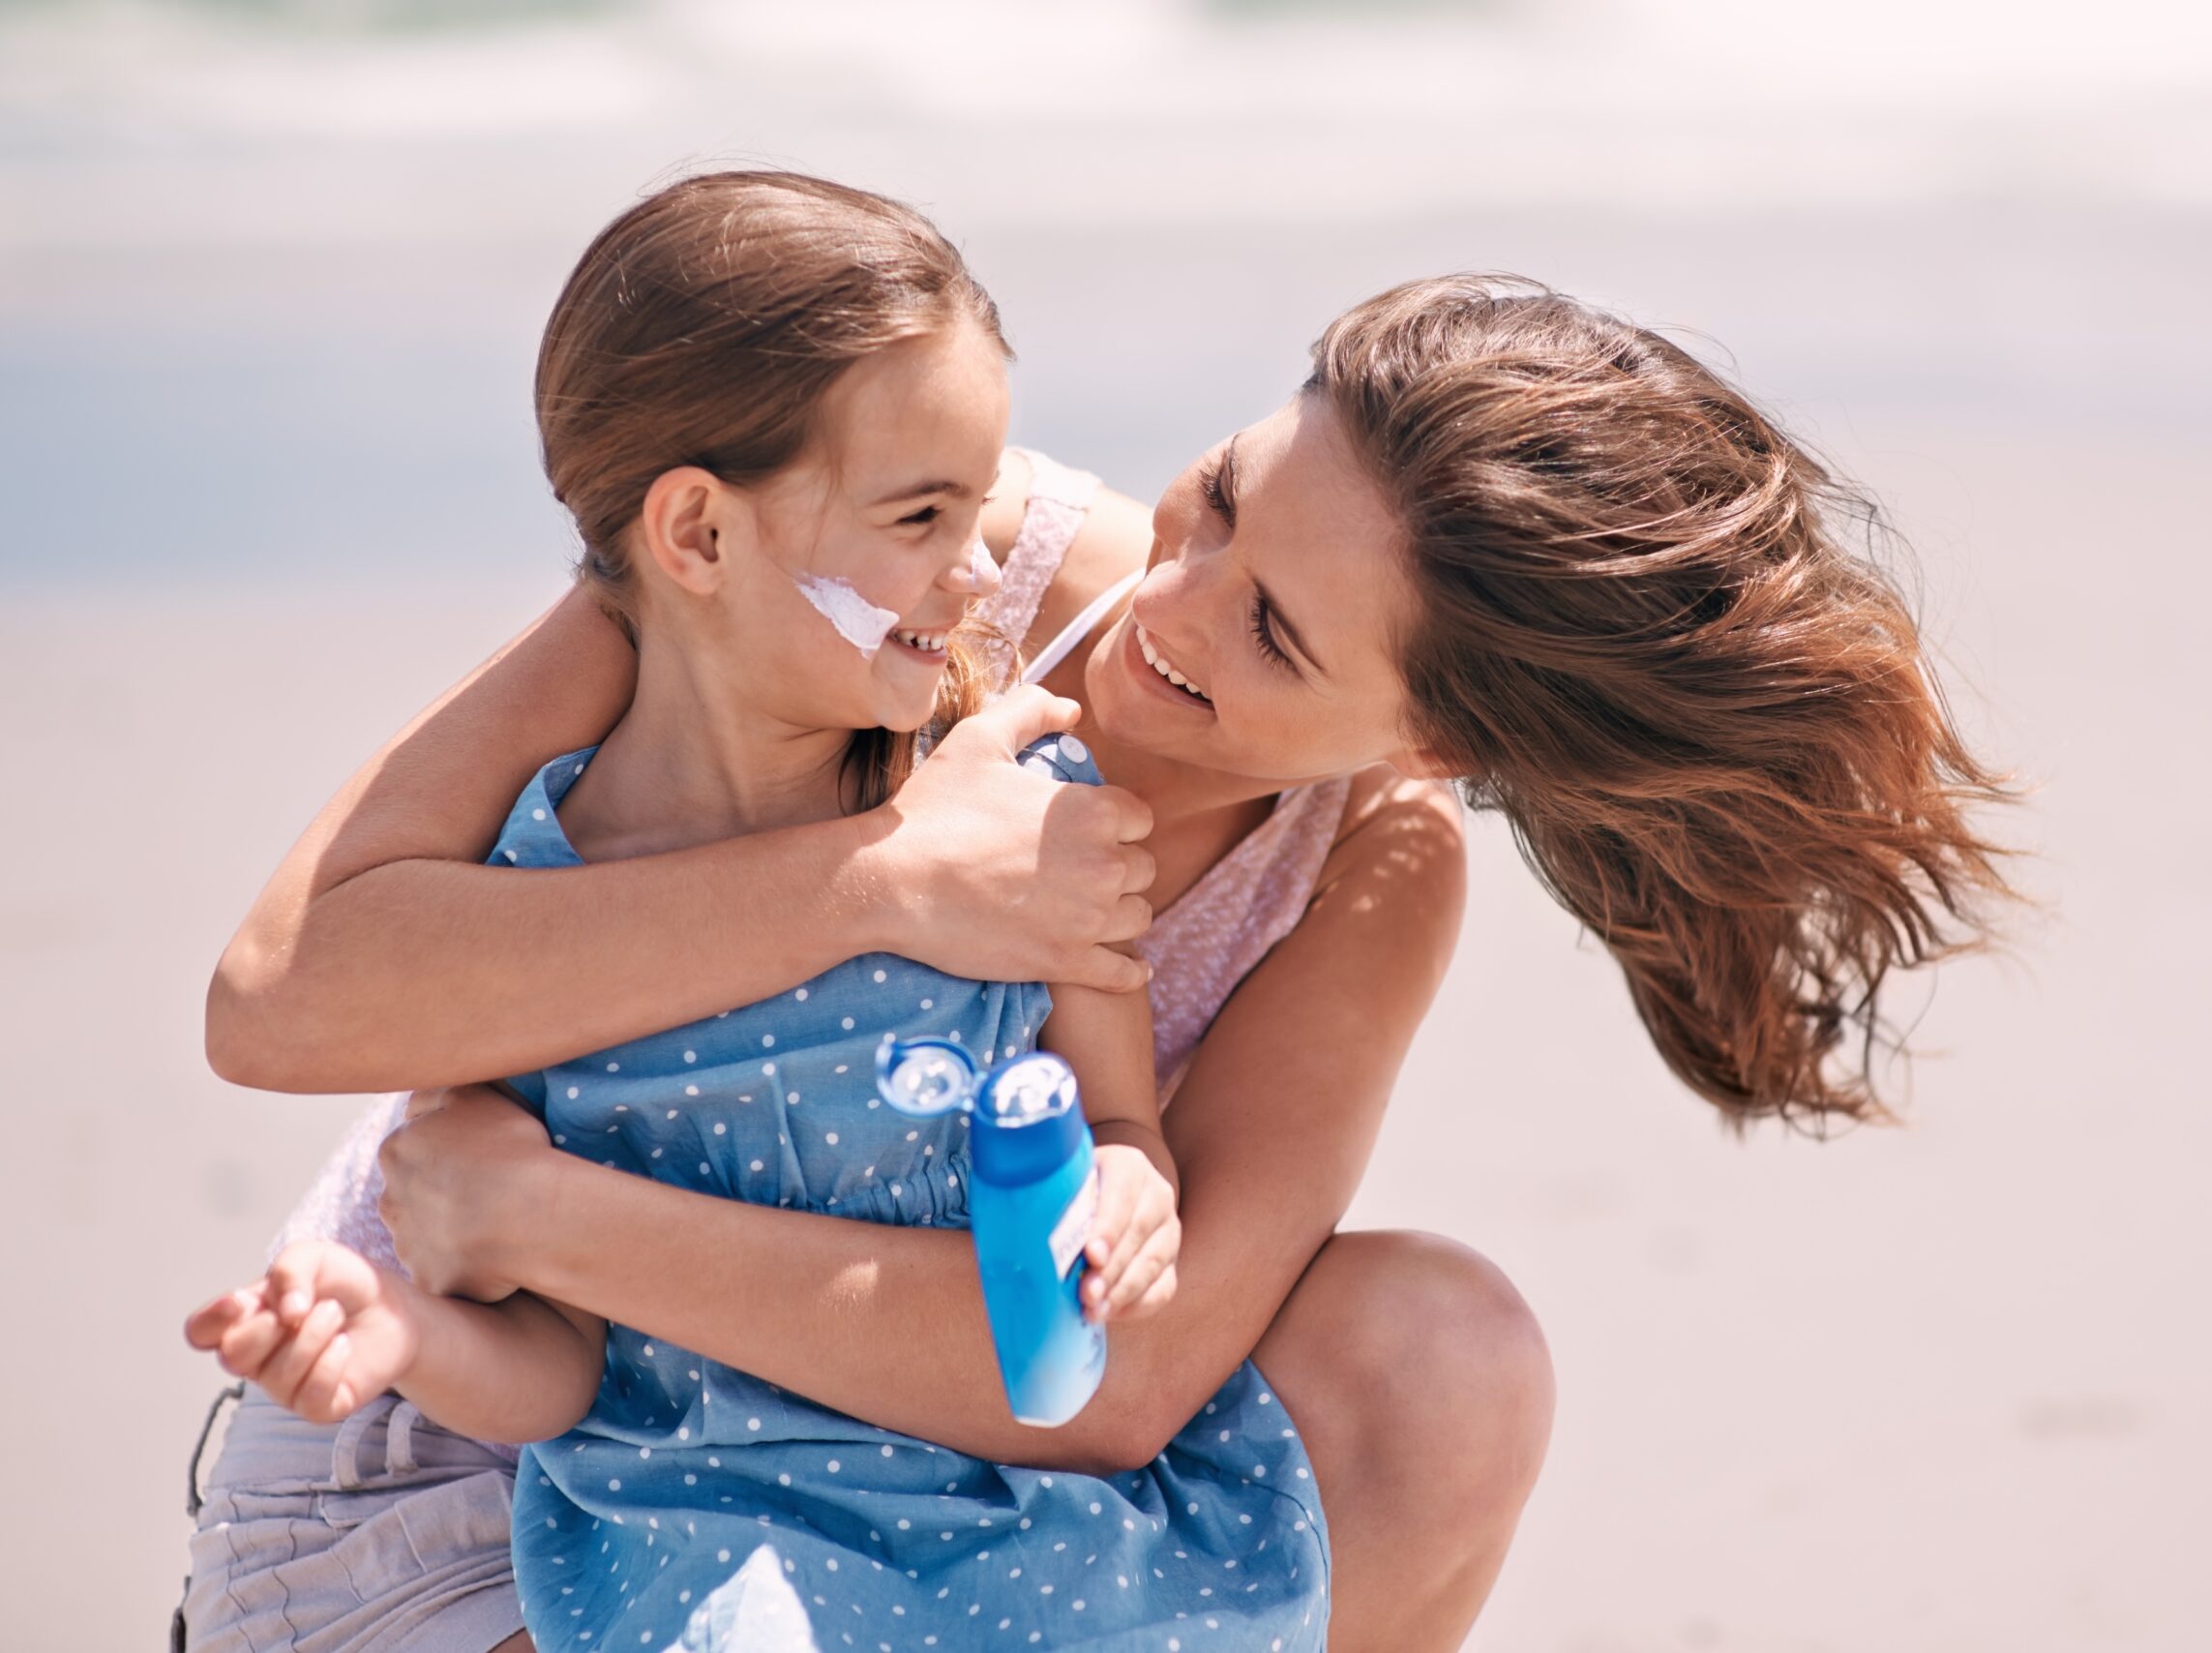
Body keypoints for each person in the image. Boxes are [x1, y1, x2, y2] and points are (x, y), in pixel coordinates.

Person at [194, 182, 2012, 1651]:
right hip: (477, 1448)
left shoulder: (1366, 876)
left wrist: (562, 1214)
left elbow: (1122, 1382)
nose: (1174, 606)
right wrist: (879, 886)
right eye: (1221, 497)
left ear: (1434, 736)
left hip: (912, 1503)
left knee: (1441, 1361)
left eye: (1278, 631)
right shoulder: (882, 554)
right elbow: (280, 1002)